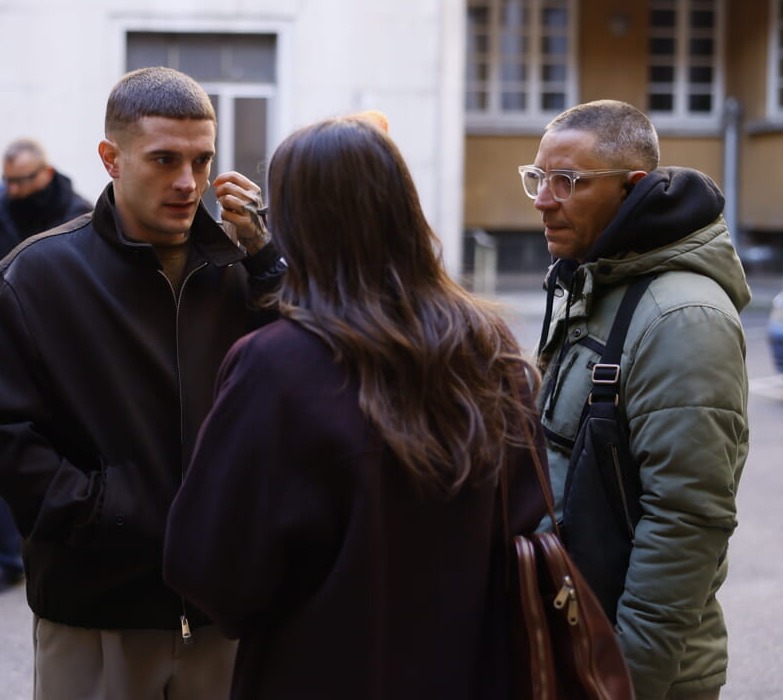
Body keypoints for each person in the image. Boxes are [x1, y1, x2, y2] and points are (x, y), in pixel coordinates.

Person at [162, 114, 548, 699]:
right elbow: (526, 514)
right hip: (473, 666)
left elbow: (211, 568)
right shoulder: (486, 345)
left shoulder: (276, 364)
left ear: (297, 225)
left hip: (320, 669)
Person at [0, 66, 285, 699]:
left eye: (202, 160)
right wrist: (107, 511)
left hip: (226, 610)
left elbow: (298, 394)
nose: (188, 182)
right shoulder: (33, 277)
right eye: (164, 160)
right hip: (97, 610)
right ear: (110, 158)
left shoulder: (243, 270)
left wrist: (270, 267)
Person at [523, 99, 749, 700]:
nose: (545, 199)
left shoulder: (683, 317)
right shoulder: (599, 277)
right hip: (580, 641)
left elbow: (685, 520)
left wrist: (623, 681)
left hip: (631, 668)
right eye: (538, 178)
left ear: (633, 189)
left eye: (568, 181)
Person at [0, 137, 92, 595]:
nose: (14, 189)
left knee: (67, 455)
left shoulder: (81, 213)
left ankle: (63, 548)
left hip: (68, 354)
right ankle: (5, 559)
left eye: (24, 180)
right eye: (9, 181)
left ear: (46, 174)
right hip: (4, 351)